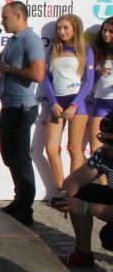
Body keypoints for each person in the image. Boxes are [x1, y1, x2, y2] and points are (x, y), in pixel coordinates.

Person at [0, 1, 46, 226]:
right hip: (9, 104)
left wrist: (11, 69)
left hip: (22, 107)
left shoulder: (31, 39)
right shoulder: (13, 40)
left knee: (19, 157)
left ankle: (25, 209)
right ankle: (19, 200)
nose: (2, 21)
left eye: (5, 17)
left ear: (19, 16)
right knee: (9, 156)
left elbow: (38, 75)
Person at [52, 110, 113, 267]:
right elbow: (76, 179)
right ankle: (82, 253)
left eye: (110, 141)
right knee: (79, 192)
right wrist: (63, 196)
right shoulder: (103, 153)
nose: (104, 145)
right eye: (101, 139)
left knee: (109, 237)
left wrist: (86, 207)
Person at [42, 14, 94, 188]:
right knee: (51, 148)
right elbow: (46, 79)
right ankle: (61, 189)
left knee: (74, 147)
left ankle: (75, 191)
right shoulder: (53, 50)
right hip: (57, 103)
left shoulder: (85, 50)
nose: (61, 32)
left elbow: (89, 82)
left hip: (77, 104)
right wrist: (53, 103)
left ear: (75, 29)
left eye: (65, 28)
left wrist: (74, 105)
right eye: (58, 28)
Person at [90, 17, 113, 157]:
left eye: (111, 31)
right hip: (100, 101)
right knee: (95, 148)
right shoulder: (98, 51)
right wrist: (98, 73)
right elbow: (90, 80)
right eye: (104, 30)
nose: (106, 34)